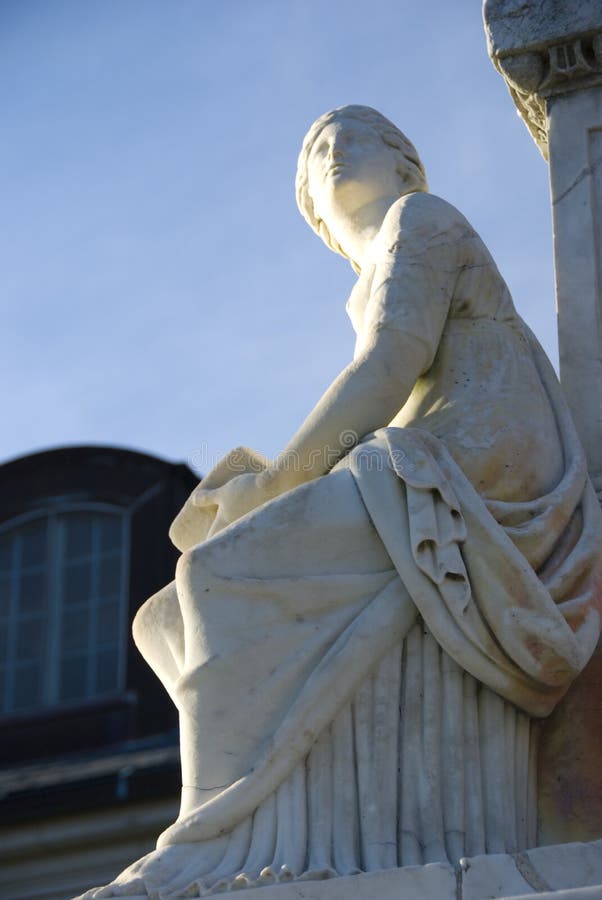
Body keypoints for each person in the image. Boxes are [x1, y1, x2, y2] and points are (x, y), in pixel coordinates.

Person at [81, 106, 602, 898]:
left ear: (405, 161)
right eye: (313, 151)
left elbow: (389, 366)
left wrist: (274, 483)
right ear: (315, 217)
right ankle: (247, 826)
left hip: (488, 459)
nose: (327, 153)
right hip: (443, 459)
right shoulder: (376, 270)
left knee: (224, 575)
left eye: (346, 136)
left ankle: (220, 841)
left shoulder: (421, 218)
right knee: (167, 616)